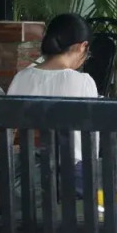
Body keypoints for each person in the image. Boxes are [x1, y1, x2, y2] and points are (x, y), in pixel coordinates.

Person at [7, 13, 99, 169]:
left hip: (29, 174)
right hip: (73, 174)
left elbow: (8, 131)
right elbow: (91, 144)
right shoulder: (84, 82)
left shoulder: (21, 78)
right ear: (82, 46)